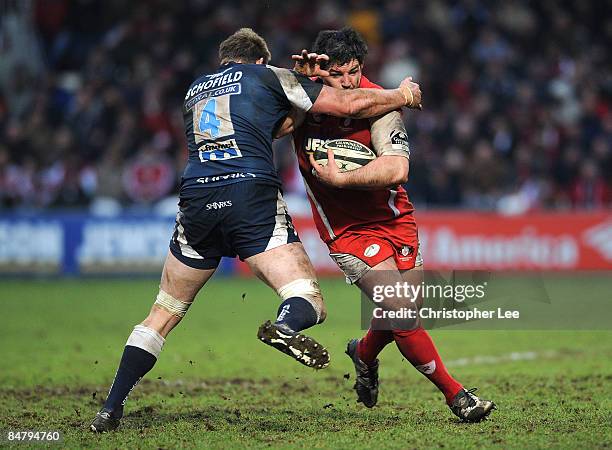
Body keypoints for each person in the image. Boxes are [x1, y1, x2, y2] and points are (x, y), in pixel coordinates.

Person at [90, 27, 423, 432]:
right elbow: (347, 102)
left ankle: (110, 407)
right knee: (306, 298)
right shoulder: (269, 76)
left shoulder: (195, 90)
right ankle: (284, 325)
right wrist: (401, 95)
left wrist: (301, 88)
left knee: (163, 312)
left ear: (224, 61)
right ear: (261, 60)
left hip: (196, 199)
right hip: (250, 195)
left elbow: (277, 126)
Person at [279, 27, 495, 422]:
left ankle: (362, 353)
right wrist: (295, 85)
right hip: (348, 232)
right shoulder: (305, 101)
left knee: (402, 311)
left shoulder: (381, 104)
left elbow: (397, 167)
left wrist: (343, 179)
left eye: (354, 72)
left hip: (396, 222)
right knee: (401, 312)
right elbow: (273, 128)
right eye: (337, 74)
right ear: (321, 72)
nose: (347, 82)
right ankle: (458, 397)